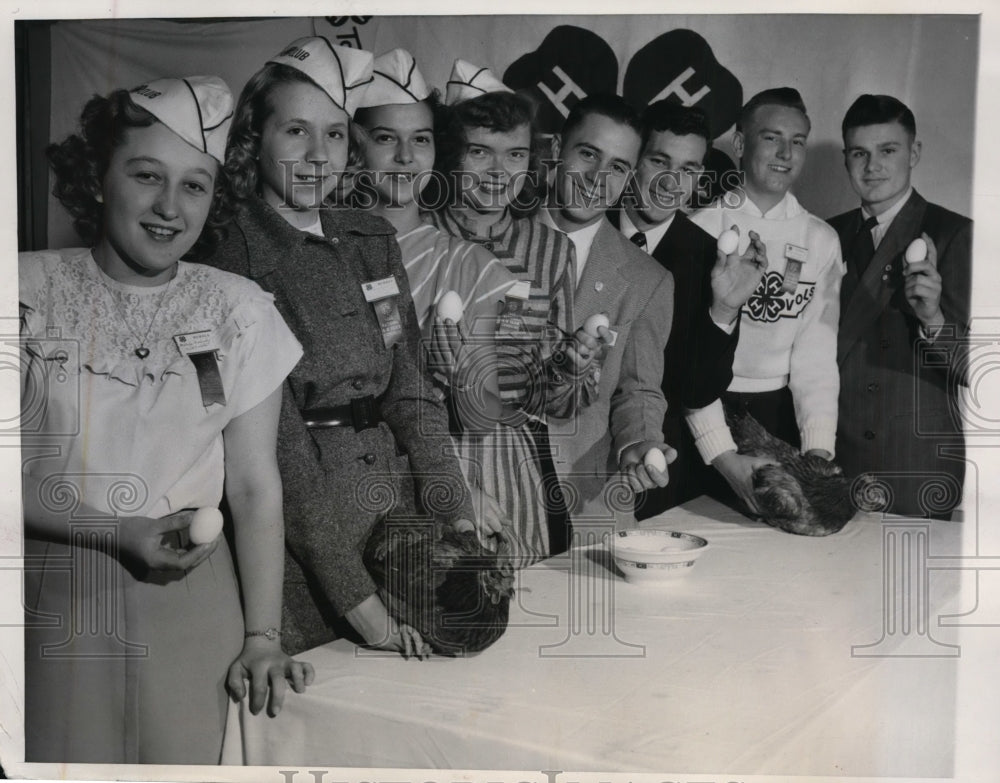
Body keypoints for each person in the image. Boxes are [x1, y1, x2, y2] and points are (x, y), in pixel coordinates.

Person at [20, 76, 312, 764]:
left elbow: (252, 486)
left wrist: (262, 635)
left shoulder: (239, 309)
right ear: (96, 178)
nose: (168, 207)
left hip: (195, 606)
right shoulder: (22, 293)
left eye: (194, 186)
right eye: (146, 175)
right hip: (53, 600)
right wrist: (120, 528)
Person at [210, 37, 483, 658]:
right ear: (255, 141)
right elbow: (282, 461)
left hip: (402, 526)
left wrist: (456, 519)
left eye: (334, 135)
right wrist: (365, 611)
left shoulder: (369, 238)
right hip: (303, 550)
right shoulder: (228, 257)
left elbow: (411, 395)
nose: (316, 156)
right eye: (296, 132)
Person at [428, 59, 596, 559]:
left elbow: (562, 404)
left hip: (515, 462)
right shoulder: (413, 240)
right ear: (451, 153)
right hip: (430, 456)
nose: (500, 173)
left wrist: (570, 368)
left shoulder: (550, 251)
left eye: (515, 154)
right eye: (481, 152)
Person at [688, 87, 844, 514]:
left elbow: (816, 356)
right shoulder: (699, 229)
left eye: (798, 141)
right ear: (740, 143)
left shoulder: (821, 239)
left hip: (780, 419)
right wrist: (719, 450)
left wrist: (817, 450)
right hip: (703, 417)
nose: (786, 152)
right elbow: (687, 361)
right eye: (772, 137)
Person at [610, 101, 767, 517]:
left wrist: (724, 310)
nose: (671, 182)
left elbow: (697, 393)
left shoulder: (709, 260)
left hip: (653, 471)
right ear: (633, 160)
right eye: (659, 160)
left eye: (689, 169)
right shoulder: (586, 226)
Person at [351, 49, 516, 430]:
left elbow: (484, 420)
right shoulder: (320, 245)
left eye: (421, 140)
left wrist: (462, 379)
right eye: (385, 138)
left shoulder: (466, 265)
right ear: (354, 146)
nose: (406, 156)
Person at [829, 94, 971, 519]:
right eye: (860, 153)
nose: (872, 166)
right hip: (837, 459)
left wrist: (933, 319)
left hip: (915, 464)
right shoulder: (825, 234)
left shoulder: (955, 234)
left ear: (915, 152)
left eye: (887, 150)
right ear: (846, 159)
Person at [539, 94, 676, 527]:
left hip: (586, 503)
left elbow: (638, 389)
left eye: (617, 166)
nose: (598, 177)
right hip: (490, 499)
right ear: (557, 150)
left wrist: (638, 443)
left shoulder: (647, 279)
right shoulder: (485, 244)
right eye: (588, 153)